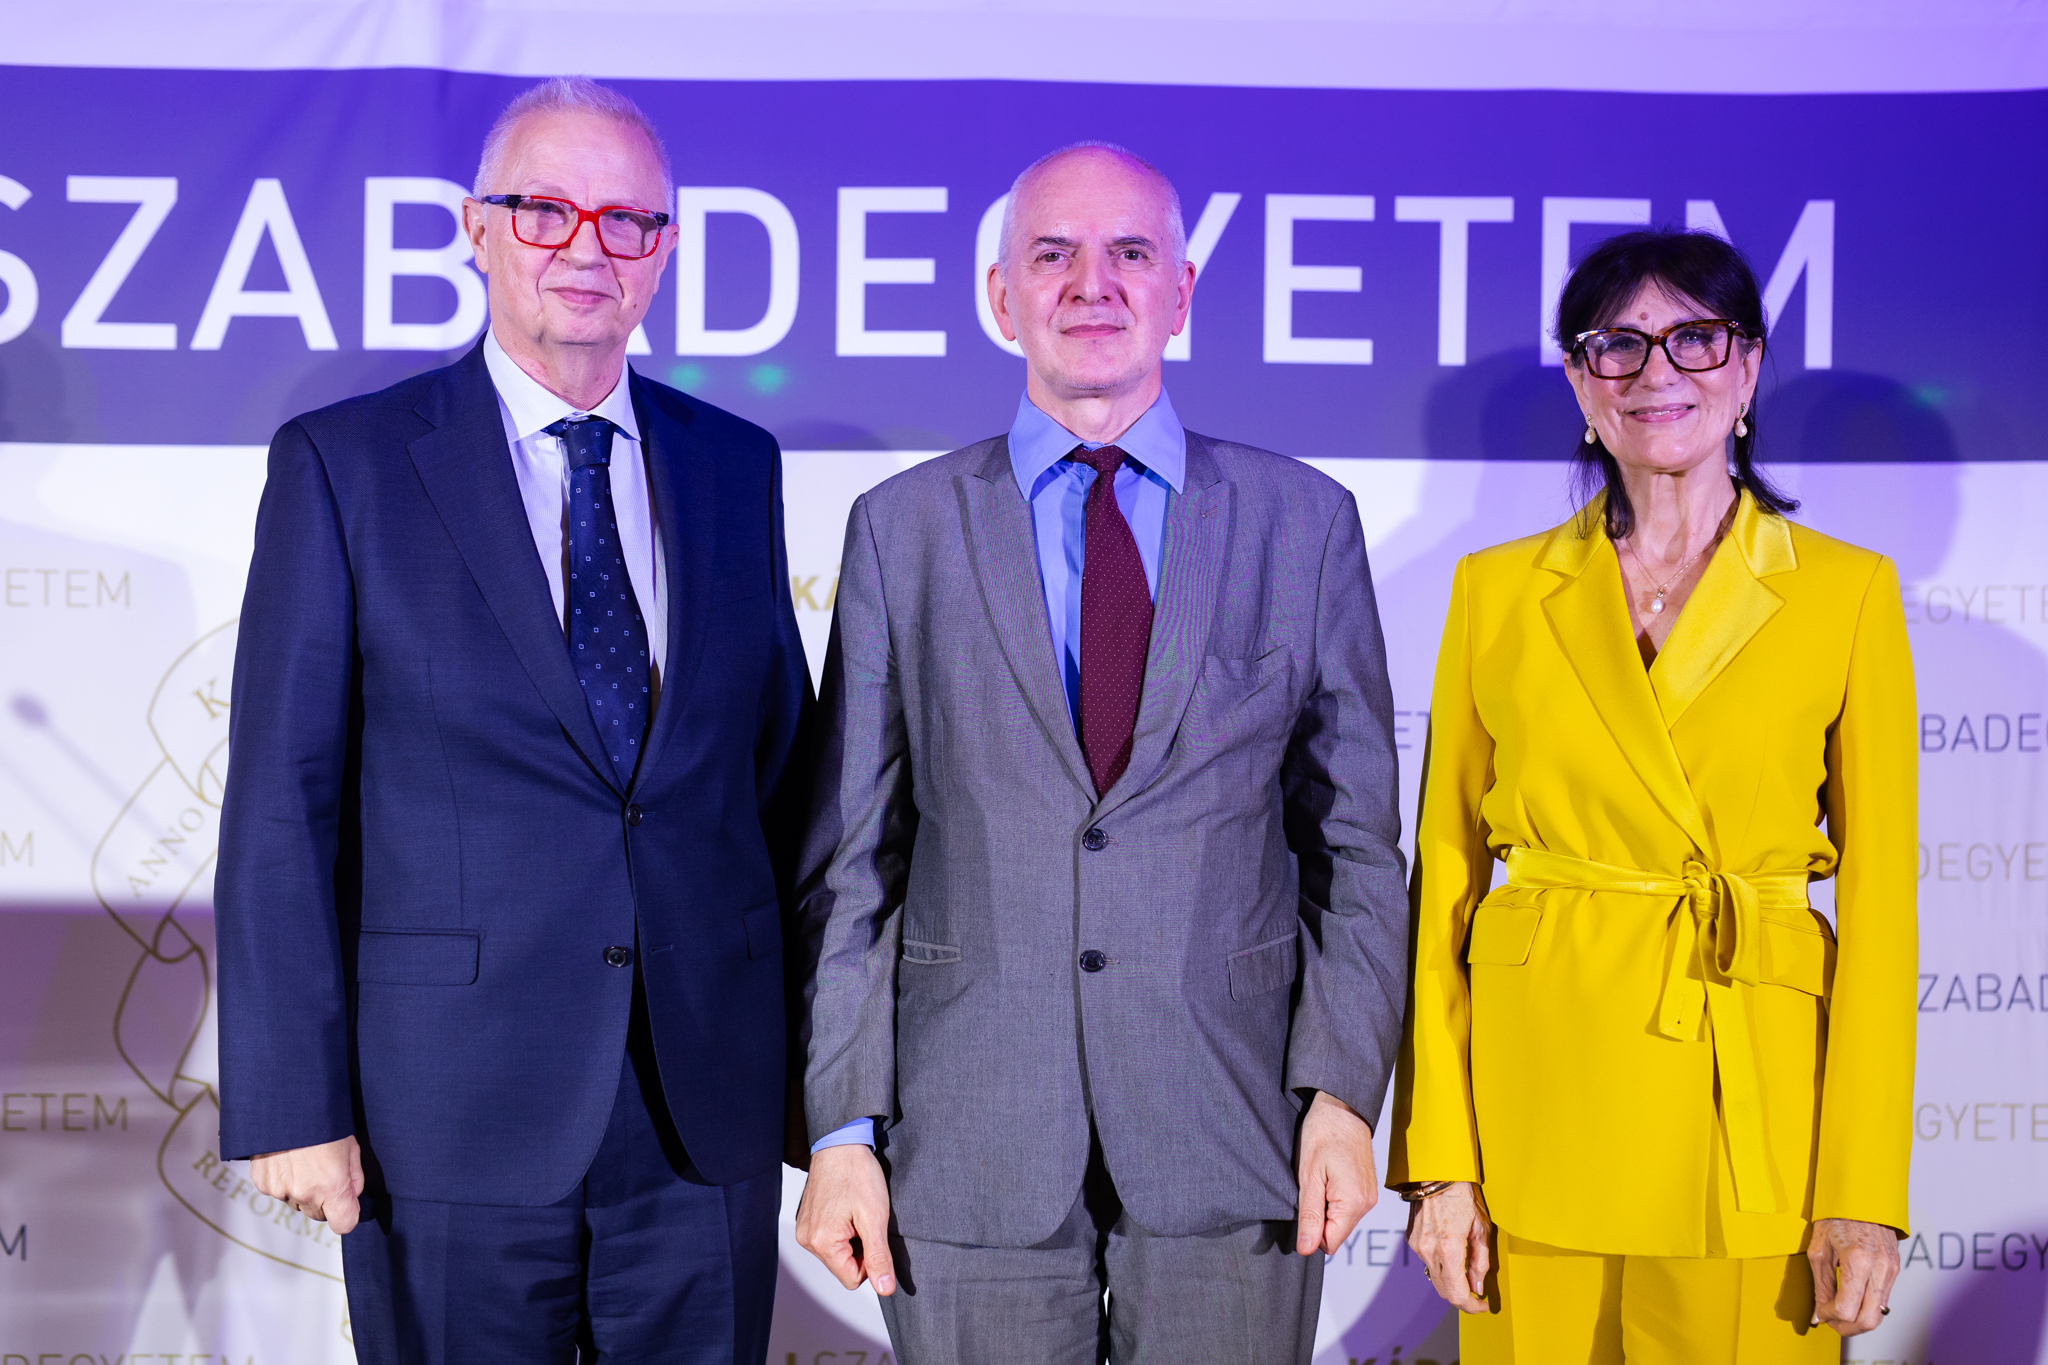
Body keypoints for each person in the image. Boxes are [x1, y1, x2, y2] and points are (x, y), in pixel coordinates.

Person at [213, 77, 810, 1364]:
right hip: (446, 1116)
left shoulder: (734, 466)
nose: (586, 248)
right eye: (544, 210)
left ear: (663, 250)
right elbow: (280, 808)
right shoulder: (346, 465)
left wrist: (831, 1095)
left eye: (626, 220)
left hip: (700, 1114)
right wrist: (290, 1099)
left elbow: (774, 784)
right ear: (475, 229)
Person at [790, 142, 1409, 1365]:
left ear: (1180, 292)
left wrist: (1342, 1093)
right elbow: (851, 864)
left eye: (1129, 251)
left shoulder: (1301, 524)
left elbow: (1353, 849)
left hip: (1235, 1133)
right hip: (965, 1144)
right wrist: (841, 1131)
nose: (1092, 282)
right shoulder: (901, 532)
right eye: (1051, 253)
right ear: (999, 296)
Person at [1390, 227, 1916, 1361]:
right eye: (1617, 344)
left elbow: (1882, 918)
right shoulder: (1494, 592)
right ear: (1581, 383)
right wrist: (1440, 1162)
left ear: (1748, 368)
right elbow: (1442, 888)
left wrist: (1862, 1189)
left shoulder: (1846, 593)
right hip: (1536, 1102)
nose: (1656, 371)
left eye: (1694, 338)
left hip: (1751, 1106)